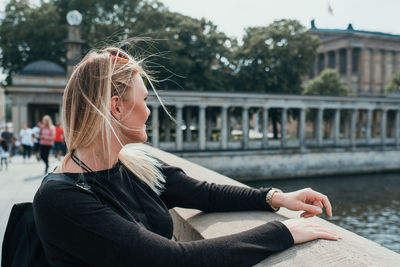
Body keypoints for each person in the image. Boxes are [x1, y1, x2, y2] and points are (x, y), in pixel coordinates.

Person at [33, 47, 339, 267]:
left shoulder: (133, 164)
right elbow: (169, 259)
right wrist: (283, 231)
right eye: (144, 100)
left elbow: (205, 194)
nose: (150, 110)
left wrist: (275, 197)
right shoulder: (61, 197)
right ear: (116, 107)